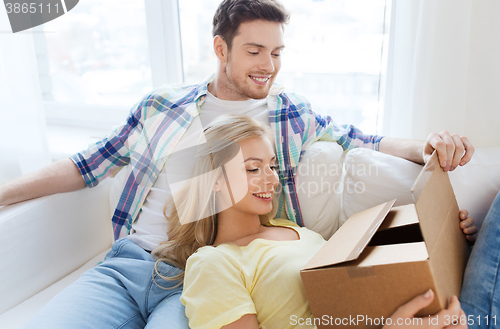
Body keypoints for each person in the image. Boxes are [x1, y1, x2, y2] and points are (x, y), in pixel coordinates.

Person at [0, 0, 476, 328]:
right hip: (128, 265)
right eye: (254, 51)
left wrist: (429, 146)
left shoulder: (289, 114)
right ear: (220, 49)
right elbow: (88, 164)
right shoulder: (160, 105)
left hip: (202, 275)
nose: (268, 64)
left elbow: (362, 139)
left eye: (276, 52)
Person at [154, 114, 472, 329]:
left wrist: (450, 242)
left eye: (272, 166)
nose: (271, 179)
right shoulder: (213, 262)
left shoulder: (293, 229)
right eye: (253, 168)